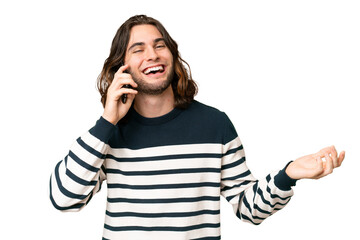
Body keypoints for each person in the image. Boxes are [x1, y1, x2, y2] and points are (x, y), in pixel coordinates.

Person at [49, 15, 345, 240]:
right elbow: (63, 199)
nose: (152, 54)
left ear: (172, 55)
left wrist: (288, 174)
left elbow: (247, 207)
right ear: (121, 68)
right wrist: (107, 120)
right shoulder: (108, 134)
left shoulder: (214, 124)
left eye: (159, 45)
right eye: (137, 49)